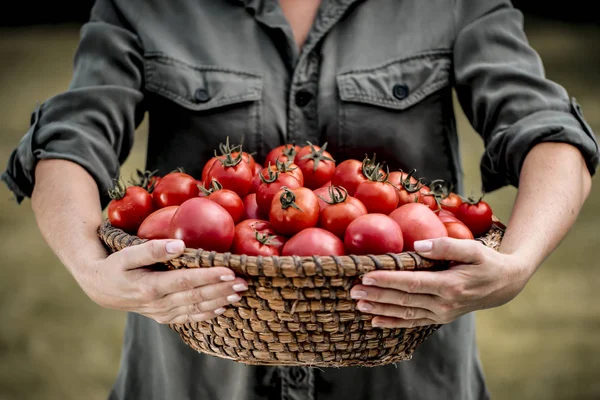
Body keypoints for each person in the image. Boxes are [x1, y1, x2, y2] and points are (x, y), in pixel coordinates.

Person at [2, 0, 598, 399]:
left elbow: (546, 128)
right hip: (192, 377)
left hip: (407, 380)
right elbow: (70, 138)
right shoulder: (145, 6)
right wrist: (89, 268)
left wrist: (517, 262)